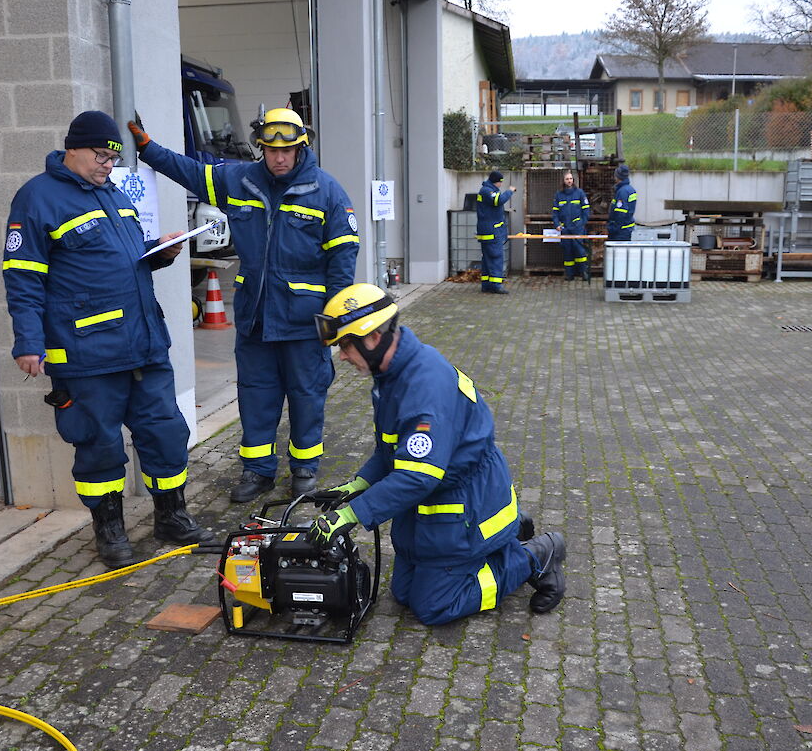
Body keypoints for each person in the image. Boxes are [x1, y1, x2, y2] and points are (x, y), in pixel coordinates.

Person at [2, 110, 215, 569]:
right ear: (72, 148)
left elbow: (124, 262)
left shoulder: (112, 194)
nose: (107, 165)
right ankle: (110, 530)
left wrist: (158, 254)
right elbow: (23, 278)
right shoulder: (37, 200)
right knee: (98, 443)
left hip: (143, 345)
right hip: (87, 353)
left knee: (166, 431)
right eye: (100, 155)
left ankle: (171, 516)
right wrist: (28, 341)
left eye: (113, 157)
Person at [127, 109, 358, 504]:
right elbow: (191, 172)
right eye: (271, 150)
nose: (279, 158)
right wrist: (149, 150)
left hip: (305, 323)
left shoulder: (328, 192)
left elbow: (343, 260)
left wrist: (335, 319)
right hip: (255, 319)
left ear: (302, 147)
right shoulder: (240, 181)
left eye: (287, 151)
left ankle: (304, 469)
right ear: (262, 148)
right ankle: (258, 471)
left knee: (307, 395)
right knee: (255, 395)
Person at [306, 284, 566, 626]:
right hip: (434, 501)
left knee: (434, 606)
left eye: (345, 345)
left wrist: (351, 516)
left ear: (371, 338)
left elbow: (417, 476)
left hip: (466, 502)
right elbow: (392, 451)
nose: (342, 356)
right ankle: (512, 531)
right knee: (403, 593)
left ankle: (536, 555)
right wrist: (357, 484)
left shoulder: (424, 387)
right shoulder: (392, 375)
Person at [475, 170, 515, 294]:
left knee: (487, 259)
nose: (500, 185)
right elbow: (498, 201)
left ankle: (486, 284)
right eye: (500, 182)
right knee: (496, 257)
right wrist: (510, 191)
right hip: (491, 232)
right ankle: (496, 285)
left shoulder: (487, 190)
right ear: (495, 181)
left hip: (487, 231)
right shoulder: (487, 191)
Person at [551, 171, 591, 282]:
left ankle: (584, 273)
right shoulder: (559, 195)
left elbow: (586, 210)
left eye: (571, 179)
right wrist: (557, 224)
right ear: (563, 181)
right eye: (567, 179)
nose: (569, 181)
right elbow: (555, 213)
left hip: (577, 228)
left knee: (580, 251)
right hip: (565, 228)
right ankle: (569, 274)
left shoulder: (579, 193)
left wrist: (582, 223)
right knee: (567, 251)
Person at [607, 164, 637, 241]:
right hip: (627, 228)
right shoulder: (631, 189)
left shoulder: (622, 192)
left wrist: (613, 229)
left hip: (620, 232)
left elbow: (620, 213)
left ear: (618, 177)